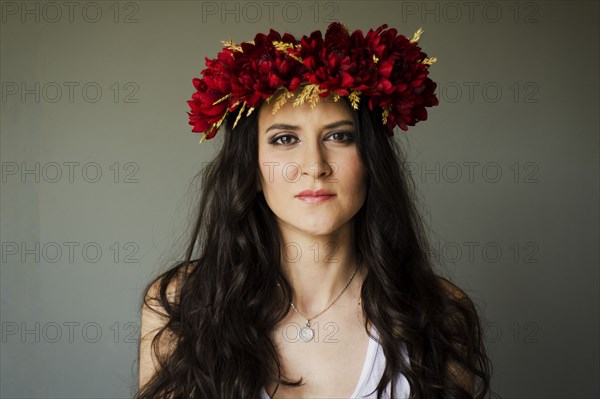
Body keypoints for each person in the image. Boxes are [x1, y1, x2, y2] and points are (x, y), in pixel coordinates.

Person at [135, 22, 492, 399]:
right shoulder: (181, 305)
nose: (314, 165)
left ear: (370, 160)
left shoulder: (440, 314)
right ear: (253, 170)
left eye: (339, 136)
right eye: (285, 139)